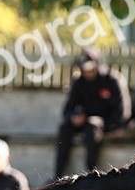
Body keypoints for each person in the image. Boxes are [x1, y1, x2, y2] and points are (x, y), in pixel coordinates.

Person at [53, 47, 130, 179]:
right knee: (65, 127)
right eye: (84, 69)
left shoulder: (112, 79)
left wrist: (112, 126)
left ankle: (91, 173)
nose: (87, 72)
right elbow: (68, 109)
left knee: (92, 124)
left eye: (90, 68)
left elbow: (123, 111)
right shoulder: (80, 82)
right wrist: (73, 117)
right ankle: (58, 174)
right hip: (85, 122)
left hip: (106, 123)